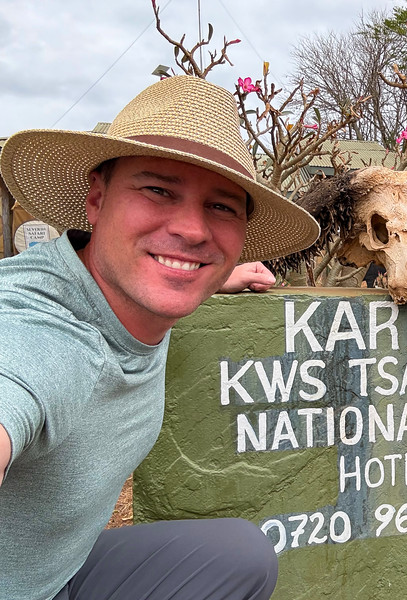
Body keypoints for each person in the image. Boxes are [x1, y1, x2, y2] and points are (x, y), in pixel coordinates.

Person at [0, 75, 320, 600]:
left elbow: (171, 259)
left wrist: (211, 274)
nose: (193, 230)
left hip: (58, 571)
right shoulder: (41, 329)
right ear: (97, 200)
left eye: (221, 207)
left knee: (242, 555)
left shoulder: (126, 289)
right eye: (158, 190)